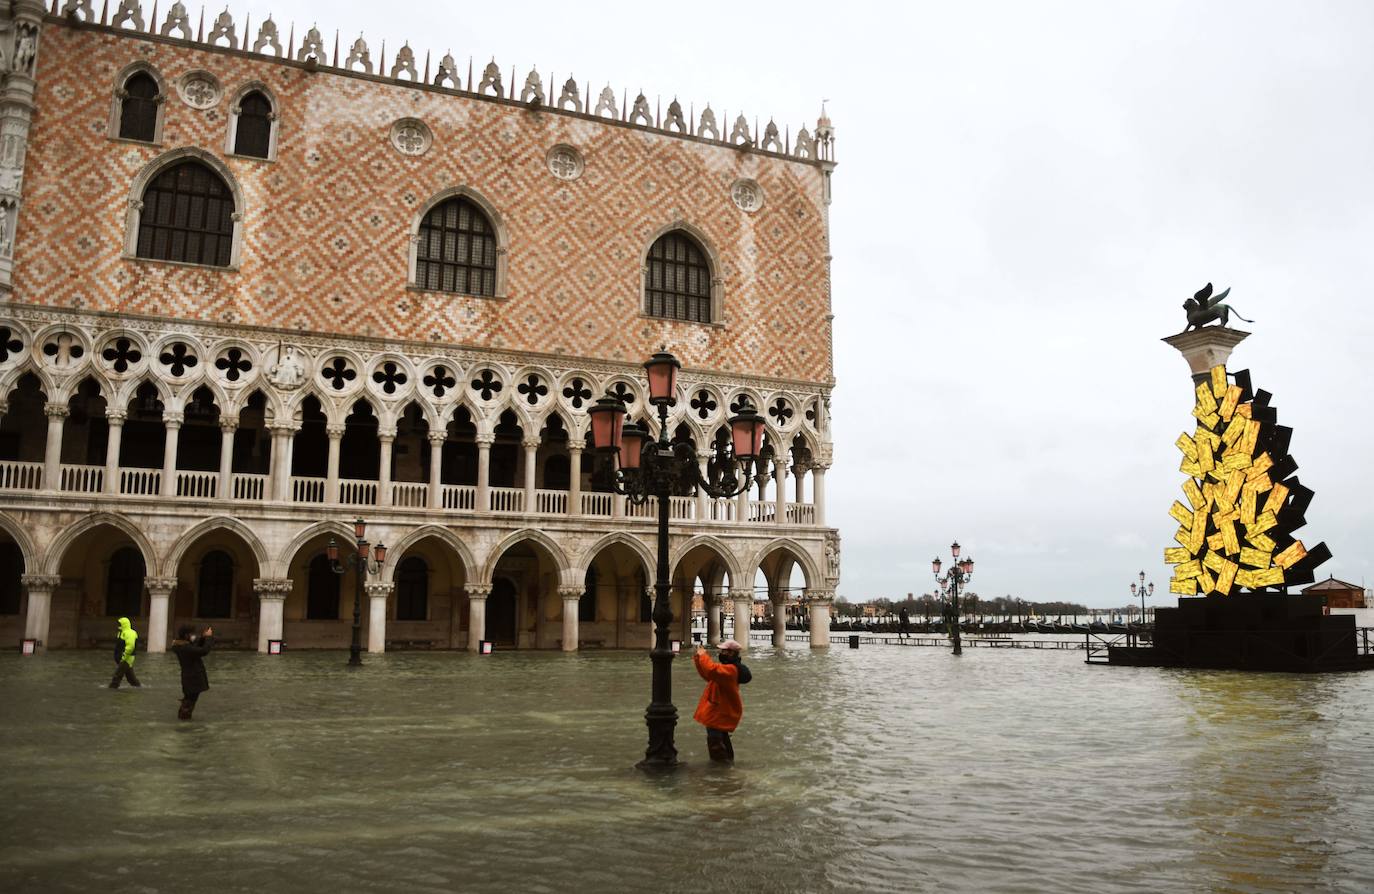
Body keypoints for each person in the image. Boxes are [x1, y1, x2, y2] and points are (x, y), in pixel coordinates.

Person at [692, 639, 752, 763]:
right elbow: (708, 675)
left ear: (731, 653)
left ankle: (720, 772)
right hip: (719, 712)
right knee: (722, 741)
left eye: (724, 651)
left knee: (716, 744)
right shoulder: (727, 669)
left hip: (718, 713)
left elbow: (710, 670)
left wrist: (703, 655)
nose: (721, 653)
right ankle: (727, 768)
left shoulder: (731, 670)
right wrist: (698, 658)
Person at [172, 625, 215, 720]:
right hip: (193, 678)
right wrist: (208, 637)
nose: (193, 636)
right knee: (190, 700)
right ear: (186, 635)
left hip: (189, 678)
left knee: (189, 699)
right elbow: (203, 651)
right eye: (191, 634)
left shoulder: (181, 646)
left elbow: (195, 647)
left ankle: (184, 718)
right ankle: (184, 719)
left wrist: (203, 638)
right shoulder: (184, 648)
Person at [109, 616, 141, 689]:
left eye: (119, 624)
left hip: (126, 658)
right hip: (123, 658)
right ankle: (138, 688)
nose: (118, 625)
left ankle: (112, 689)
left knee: (117, 676)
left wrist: (124, 656)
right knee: (131, 678)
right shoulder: (121, 632)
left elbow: (130, 646)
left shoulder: (130, 633)